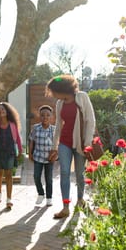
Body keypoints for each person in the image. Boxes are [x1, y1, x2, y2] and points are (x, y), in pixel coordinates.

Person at [46, 75, 96, 219]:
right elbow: (58, 127)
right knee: (65, 173)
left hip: (80, 143)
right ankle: (66, 207)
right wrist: (54, 146)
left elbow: (90, 121)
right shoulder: (59, 103)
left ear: (62, 89)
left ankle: (80, 200)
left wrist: (87, 144)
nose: (53, 94)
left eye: (54, 91)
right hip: (64, 143)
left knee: (80, 174)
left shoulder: (82, 97)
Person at [0, 102, 23, 209]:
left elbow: (18, 138)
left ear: (7, 111)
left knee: (9, 175)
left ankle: (9, 199)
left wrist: (20, 150)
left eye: (2, 109)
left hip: (10, 151)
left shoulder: (12, 124)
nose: (1, 111)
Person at [28, 105, 56, 207]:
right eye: (43, 115)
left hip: (49, 159)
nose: (45, 117)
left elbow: (57, 144)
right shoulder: (36, 128)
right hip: (38, 156)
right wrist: (30, 153)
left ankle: (49, 197)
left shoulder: (54, 130)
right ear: (40, 116)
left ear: (51, 117)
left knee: (49, 179)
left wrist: (55, 155)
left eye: (48, 115)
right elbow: (31, 141)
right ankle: (41, 194)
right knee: (36, 176)